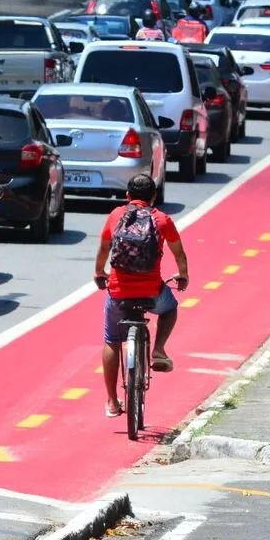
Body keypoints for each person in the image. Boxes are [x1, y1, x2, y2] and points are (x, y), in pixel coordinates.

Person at [93, 174, 190, 418]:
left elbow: (104, 248)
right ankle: (158, 349)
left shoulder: (116, 215)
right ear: (154, 196)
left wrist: (98, 272)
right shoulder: (162, 219)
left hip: (118, 292)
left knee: (111, 340)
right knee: (170, 309)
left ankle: (113, 402)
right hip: (151, 291)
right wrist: (183, 275)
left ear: (127, 196)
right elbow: (178, 251)